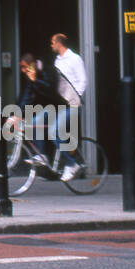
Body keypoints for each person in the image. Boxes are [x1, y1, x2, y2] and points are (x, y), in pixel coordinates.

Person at [49, 32, 87, 179]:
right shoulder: (57, 61)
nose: (51, 45)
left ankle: (72, 164)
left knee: (55, 132)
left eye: (53, 42)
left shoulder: (75, 59)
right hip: (59, 103)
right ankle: (75, 161)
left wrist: (74, 98)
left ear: (59, 43)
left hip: (71, 103)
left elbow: (83, 81)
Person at [17, 52, 62, 170]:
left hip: (57, 106)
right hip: (44, 108)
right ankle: (44, 159)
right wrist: (18, 113)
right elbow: (26, 96)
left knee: (35, 122)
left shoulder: (48, 70)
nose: (22, 70)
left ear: (32, 65)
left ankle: (42, 156)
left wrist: (35, 80)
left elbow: (51, 91)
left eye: (24, 67)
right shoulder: (30, 76)